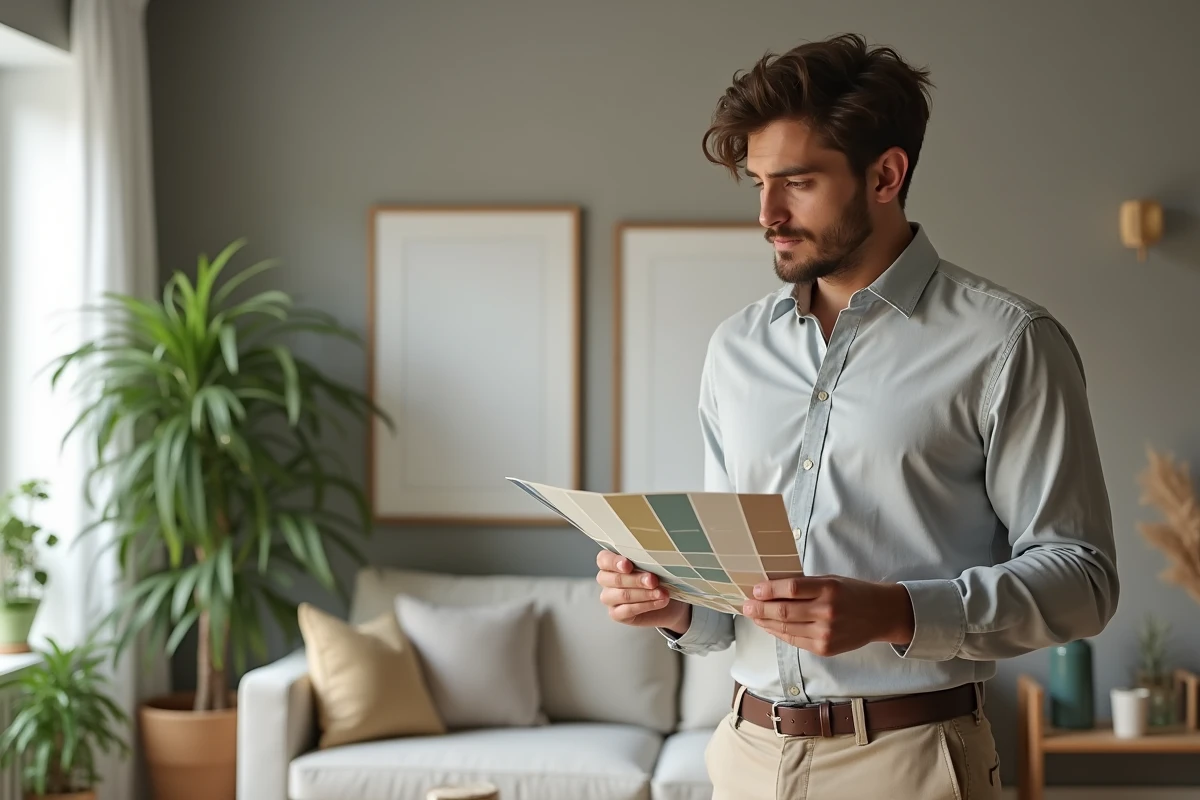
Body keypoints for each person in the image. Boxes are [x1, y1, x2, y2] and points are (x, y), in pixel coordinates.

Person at [595, 33, 1119, 799]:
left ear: (886, 174)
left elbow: (1084, 579)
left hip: (911, 762)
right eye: (760, 184)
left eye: (798, 183)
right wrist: (673, 606)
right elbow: (729, 607)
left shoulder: (1008, 342)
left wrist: (898, 612)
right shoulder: (735, 348)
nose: (769, 214)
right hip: (743, 755)